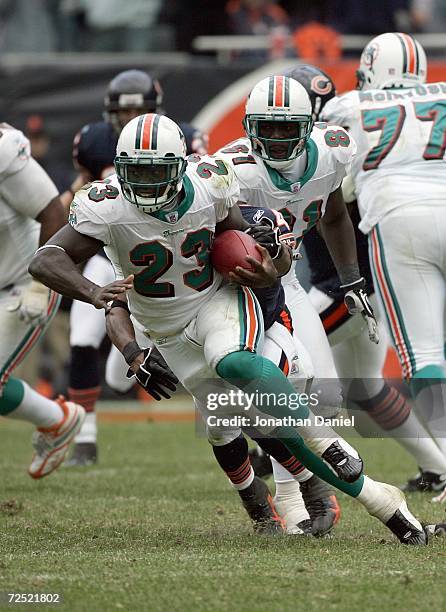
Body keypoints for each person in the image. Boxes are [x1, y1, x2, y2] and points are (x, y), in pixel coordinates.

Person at [30, 113, 431, 544]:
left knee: (235, 361)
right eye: (136, 173)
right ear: (120, 170)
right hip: (164, 329)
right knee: (232, 417)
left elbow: (253, 245)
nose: (145, 185)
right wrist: (94, 294)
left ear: (180, 166)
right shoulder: (106, 205)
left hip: (218, 301)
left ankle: (326, 445)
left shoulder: (209, 185)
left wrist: (270, 266)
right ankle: (382, 502)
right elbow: (45, 260)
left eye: (156, 172)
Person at [286, 63, 446, 494]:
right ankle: (438, 467)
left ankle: (284, 461)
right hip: (356, 286)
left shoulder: (335, 150)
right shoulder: (345, 141)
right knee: (366, 389)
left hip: (354, 289)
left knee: (285, 361)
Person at [62, 69, 208, 466]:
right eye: (123, 114)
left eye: (140, 111)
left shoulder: (181, 139)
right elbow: (79, 192)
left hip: (159, 263)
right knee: (81, 334)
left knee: (202, 353)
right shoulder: (94, 142)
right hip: (105, 257)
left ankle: (243, 434)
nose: (130, 121)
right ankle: (85, 438)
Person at [0, 122, 84, 478]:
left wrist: (38, 285)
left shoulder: (4, 151)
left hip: (24, 279)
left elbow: (53, 213)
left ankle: (57, 420)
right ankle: (58, 420)